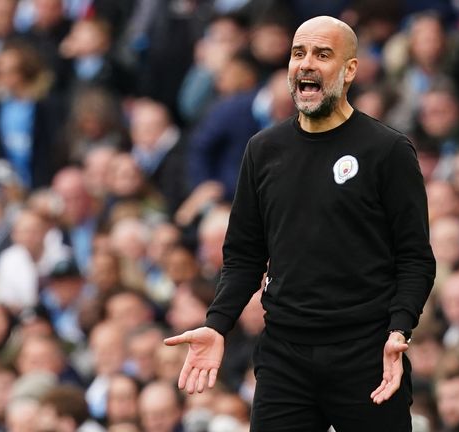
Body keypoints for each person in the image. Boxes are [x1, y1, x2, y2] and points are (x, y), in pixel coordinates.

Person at [164, 16, 436, 431]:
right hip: (284, 358)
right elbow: (243, 256)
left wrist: (400, 327)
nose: (306, 63)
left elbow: (416, 257)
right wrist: (217, 324)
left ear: (349, 71)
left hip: (367, 355)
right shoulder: (263, 150)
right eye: (298, 53)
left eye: (322, 54)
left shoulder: (388, 150)